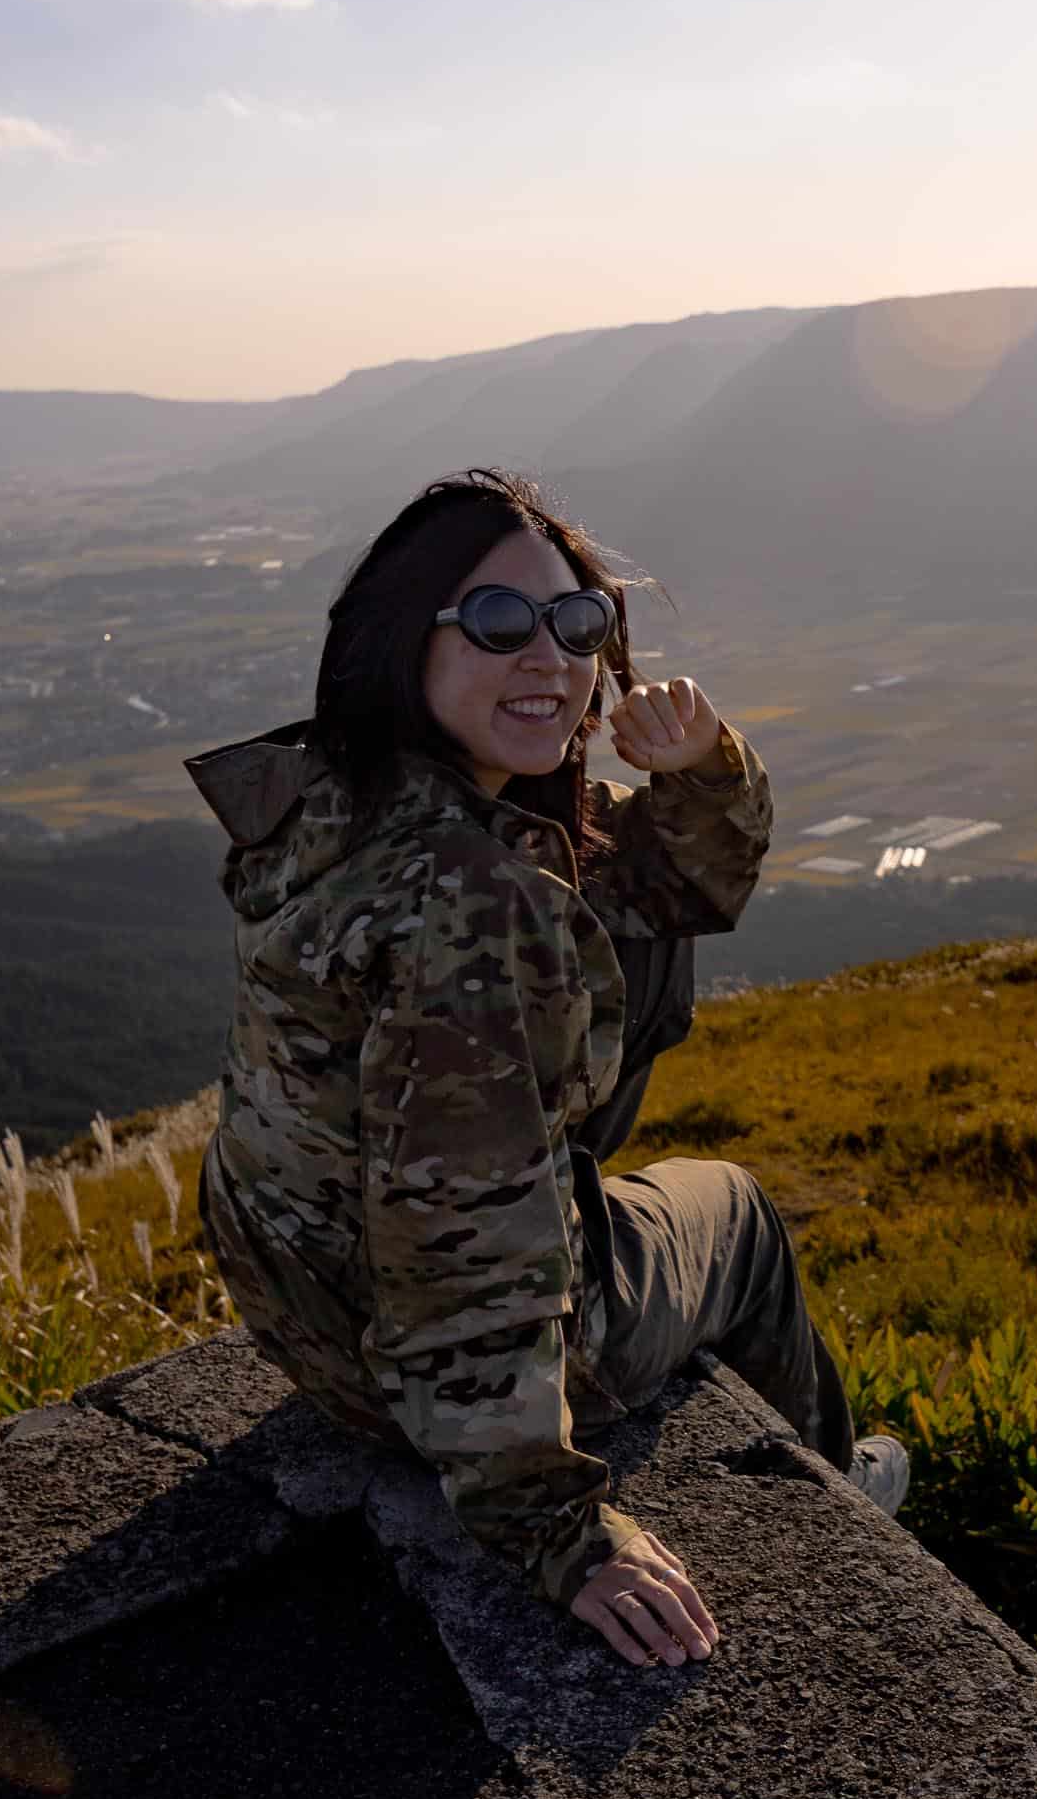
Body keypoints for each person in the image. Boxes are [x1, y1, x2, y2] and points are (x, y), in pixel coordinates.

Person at [186, 469, 909, 1674]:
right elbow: (462, 1227)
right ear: (398, 639)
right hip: (409, 1357)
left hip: (307, 1309)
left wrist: (699, 772)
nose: (554, 659)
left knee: (617, 918)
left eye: (581, 625)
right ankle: (839, 1493)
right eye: (499, 623)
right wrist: (553, 1529)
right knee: (734, 1210)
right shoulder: (472, 905)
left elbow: (671, 894)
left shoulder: (349, 797)